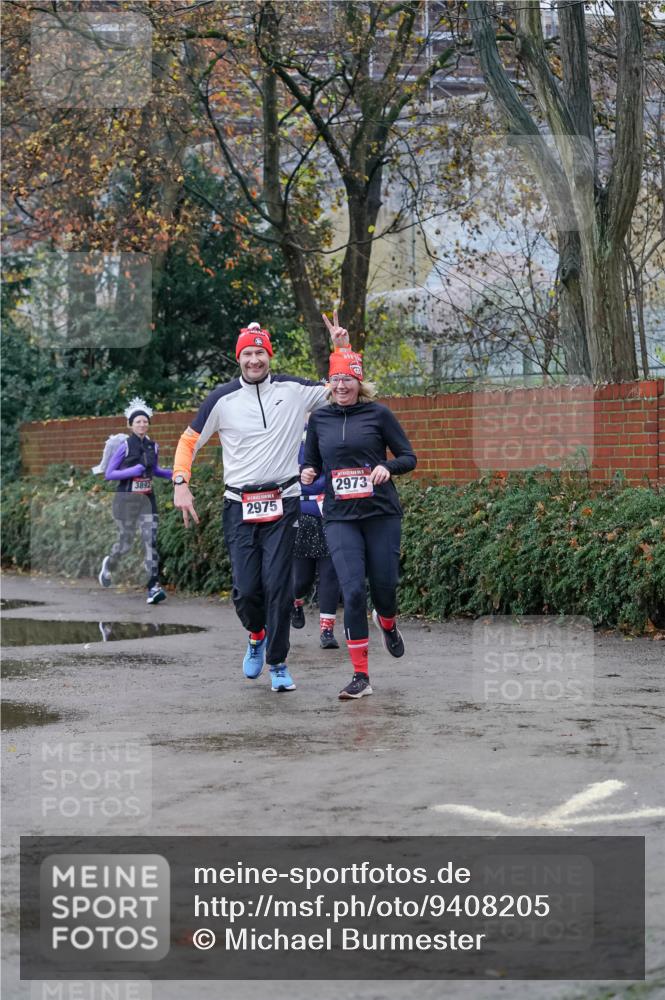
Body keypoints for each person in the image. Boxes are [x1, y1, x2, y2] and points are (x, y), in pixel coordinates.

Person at [172, 317, 351, 692]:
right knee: (246, 589)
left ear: (269, 355)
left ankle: (279, 663)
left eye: (260, 353)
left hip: (282, 504)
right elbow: (188, 441)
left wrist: (341, 349)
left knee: (278, 587)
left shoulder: (294, 389)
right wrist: (180, 483)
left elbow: (341, 388)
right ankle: (256, 635)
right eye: (248, 353)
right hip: (239, 505)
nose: (254, 360)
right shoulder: (221, 399)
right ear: (239, 358)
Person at [301, 351, 416, 700]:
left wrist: (388, 468)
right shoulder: (320, 420)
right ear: (329, 384)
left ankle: (388, 622)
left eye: (347, 379)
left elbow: (409, 457)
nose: (340, 385)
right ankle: (360, 675)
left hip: (380, 514)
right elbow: (311, 463)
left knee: (384, 585)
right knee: (351, 591)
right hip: (339, 518)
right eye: (335, 380)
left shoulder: (378, 414)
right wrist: (308, 473)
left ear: (358, 383)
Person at [97, 397, 172, 604]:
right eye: (138, 421)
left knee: (151, 540)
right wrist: (132, 471)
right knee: (126, 543)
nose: (142, 424)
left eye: (145, 421)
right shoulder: (125, 446)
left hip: (147, 500)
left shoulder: (152, 446)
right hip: (126, 501)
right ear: (130, 424)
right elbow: (109, 474)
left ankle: (153, 588)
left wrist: (173, 475)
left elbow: (155, 470)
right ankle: (109, 564)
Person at [291, 427, 341, 650]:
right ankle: (296, 601)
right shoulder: (288, 435)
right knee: (302, 578)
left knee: (330, 573)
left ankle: (327, 630)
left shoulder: (333, 433)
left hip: (331, 513)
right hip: (301, 513)